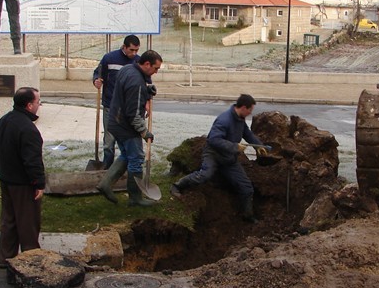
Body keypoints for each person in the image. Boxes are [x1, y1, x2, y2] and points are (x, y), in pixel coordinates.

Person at [170, 94, 267, 223]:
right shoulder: (224, 120)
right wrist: (234, 147)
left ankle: (247, 215)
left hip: (228, 158)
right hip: (213, 154)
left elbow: (247, 133)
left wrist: (258, 146)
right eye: (250, 110)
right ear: (244, 107)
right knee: (205, 174)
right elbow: (213, 139)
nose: (250, 113)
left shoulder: (240, 119)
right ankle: (177, 186)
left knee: (246, 187)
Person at [98, 50, 162, 207]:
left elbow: (128, 94)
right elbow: (133, 114)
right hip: (125, 125)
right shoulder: (136, 83)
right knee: (136, 158)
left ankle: (105, 184)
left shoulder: (128, 68)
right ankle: (135, 198)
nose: (156, 72)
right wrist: (144, 131)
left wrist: (147, 91)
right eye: (155, 68)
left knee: (126, 155)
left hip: (115, 121)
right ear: (147, 64)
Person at [0, 87, 46, 268]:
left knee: (9, 221)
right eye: (38, 102)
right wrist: (38, 183)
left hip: (6, 179)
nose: (39, 105)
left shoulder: (4, 121)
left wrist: (1, 171)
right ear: (29, 105)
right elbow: (32, 161)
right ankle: (31, 260)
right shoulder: (28, 129)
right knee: (28, 224)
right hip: (23, 184)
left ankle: (6, 259)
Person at [92, 35, 141, 168]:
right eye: (131, 50)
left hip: (128, 109)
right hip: (110, 106)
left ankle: (125, 169)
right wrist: (97, 80)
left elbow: (145, 83)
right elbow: (98, 73)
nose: (134, 53)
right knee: (109, 141)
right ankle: (107, 167)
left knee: (127, 141)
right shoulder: (109, 58)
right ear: (124, 47)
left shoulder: (138, 62)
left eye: (137, 50)